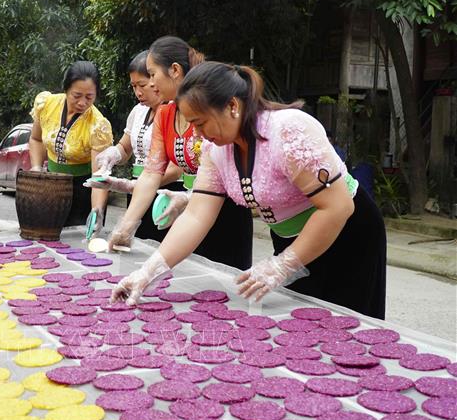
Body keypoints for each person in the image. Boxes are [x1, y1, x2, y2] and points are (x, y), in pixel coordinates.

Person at [112, 62, 386, 320]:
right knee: (303, 328)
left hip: (348, 238)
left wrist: (284, 266)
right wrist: (147, 273)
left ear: (232, 105)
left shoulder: (288, 130)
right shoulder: (214, 149)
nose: (197, 134)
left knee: (347, 333)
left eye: (200, 123)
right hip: (290, 240)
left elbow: (338, 207)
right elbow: (196, 216)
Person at [93, 36, 252, 269]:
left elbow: (231, 173)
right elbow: (151, 173)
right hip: (190, 216)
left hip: (225, 217)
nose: (151, 82)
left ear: (175, 70)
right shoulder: (165, 114)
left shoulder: (213, 110)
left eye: (152, 74)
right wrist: (127, 223)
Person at [89, 50, 183, 242]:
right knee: (135, 244)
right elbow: (125, 147)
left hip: (164, 192)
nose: (138, 92)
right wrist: (113, 154)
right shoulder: (138, 112)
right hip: (138, 189)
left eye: (142, 85)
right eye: (133, 86)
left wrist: (136, 185)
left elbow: (175, 170)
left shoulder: (177, 113)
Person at [28, 61, 113, 238]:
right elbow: (36, 139)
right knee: (45, 239)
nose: (82, 102)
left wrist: (96, 210)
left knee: (77, 245)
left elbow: (99, 176)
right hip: (50, 185)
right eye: (76, 95)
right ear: (66, 89)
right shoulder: (47, 104)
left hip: (82, 190)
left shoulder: (98, 125)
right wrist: (36, 169)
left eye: (89, 97)